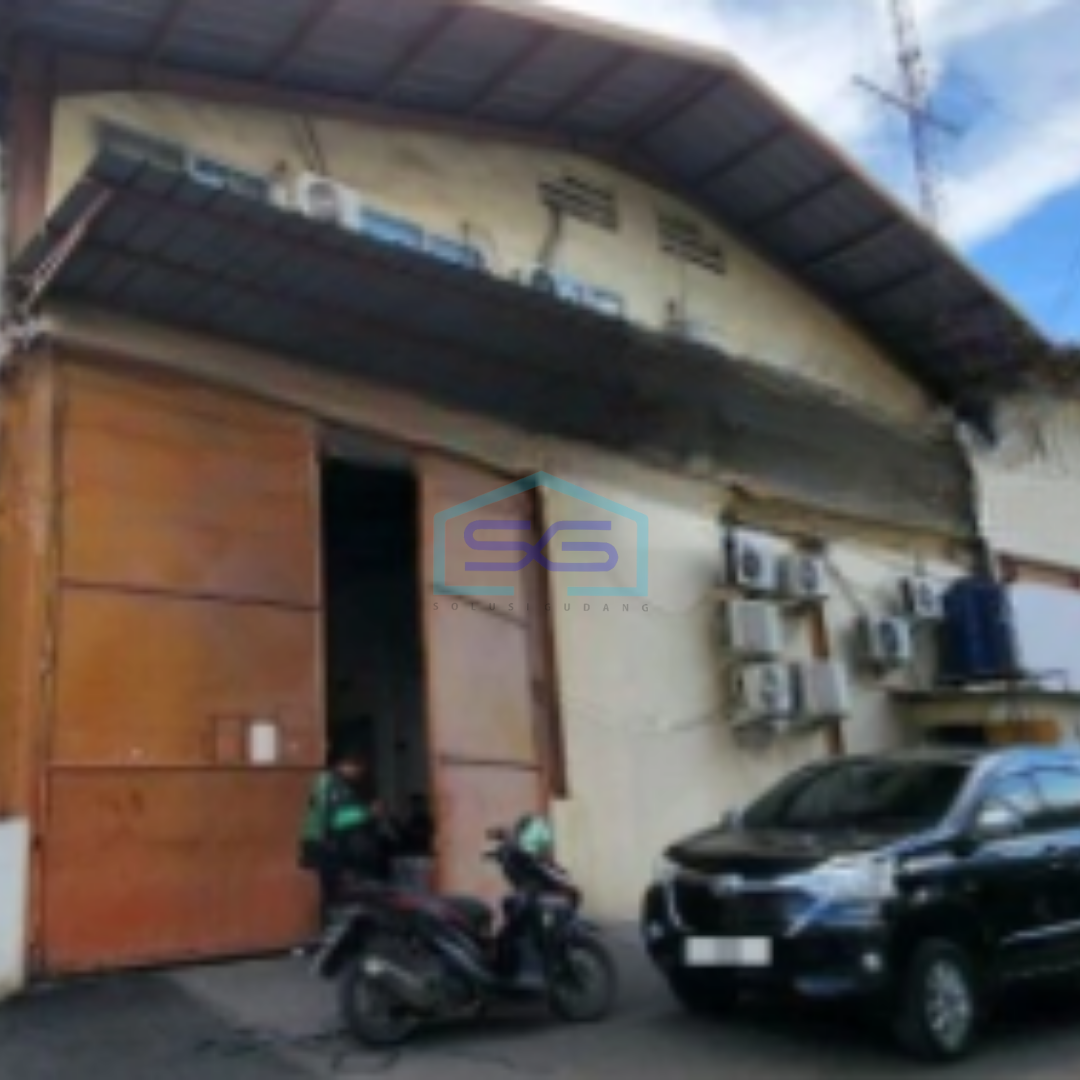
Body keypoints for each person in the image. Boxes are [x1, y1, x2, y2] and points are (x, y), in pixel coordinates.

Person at [299, 748, 387, 926]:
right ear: (348, 765)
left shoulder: (335, 783)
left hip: (325, 845)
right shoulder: (331, 783)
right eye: (359, 770)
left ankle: (331, 927)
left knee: (334, 892)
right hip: (324, 846)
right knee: (331, 894)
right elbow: (335, 820)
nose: (359, 776)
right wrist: (367, 813)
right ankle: (330, 930)